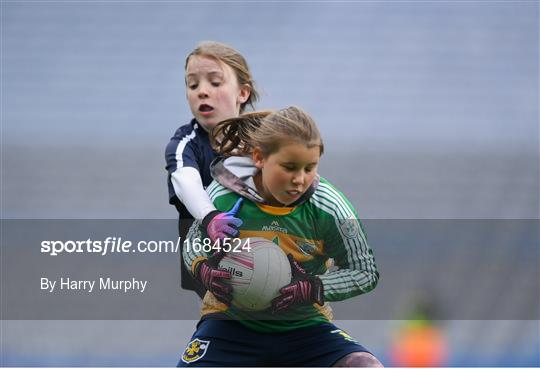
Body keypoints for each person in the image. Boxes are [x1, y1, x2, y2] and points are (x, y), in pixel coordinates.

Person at [178, 106, 382, 367]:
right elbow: (194, 241)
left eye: (310, 168)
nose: (300, 179)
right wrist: (202, 268)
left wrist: (313, 287)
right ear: (259, 158)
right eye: (289, 167)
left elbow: (365, 271)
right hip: (229, 325)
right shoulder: (224, 195)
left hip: (306, 327)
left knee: (365, 366)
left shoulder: (330, 208)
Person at [165, 41, 259, 297]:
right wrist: (210, 217)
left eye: (215, 82)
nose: (202, 92)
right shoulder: (185, 144)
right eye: (192, 84)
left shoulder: (266, 140)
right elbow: (185, 181)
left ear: (243, 93)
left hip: (268, 253)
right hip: (211, 267)